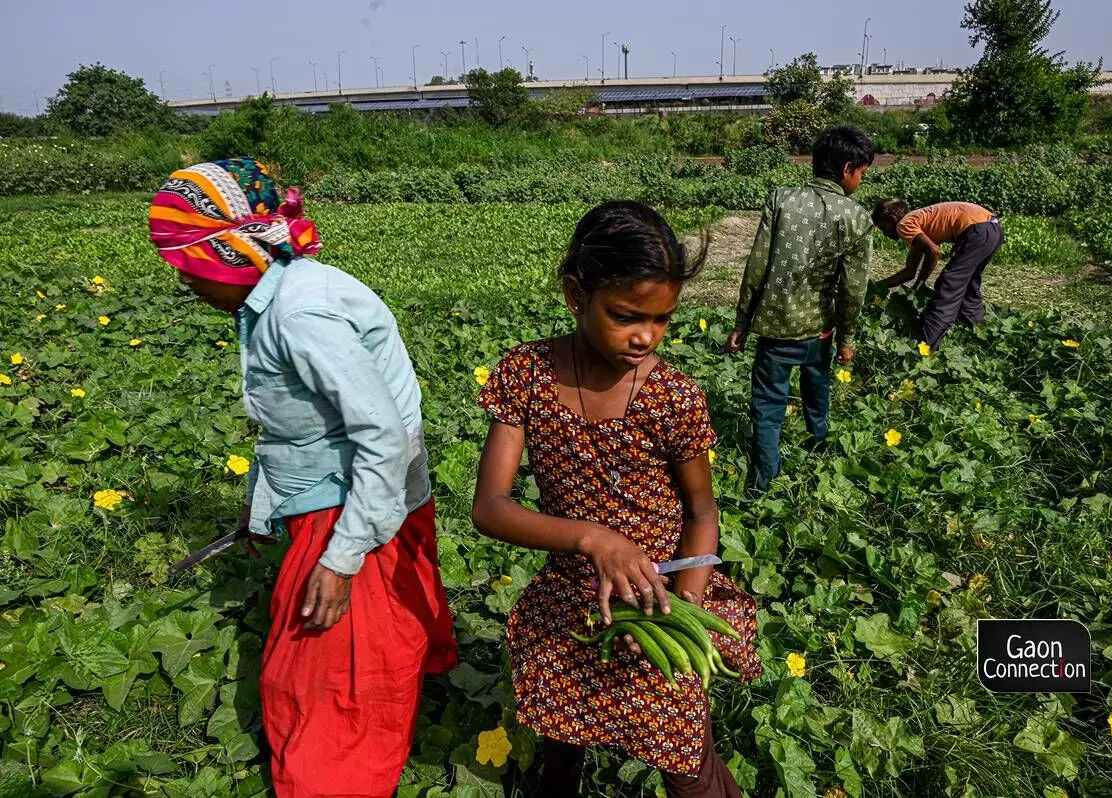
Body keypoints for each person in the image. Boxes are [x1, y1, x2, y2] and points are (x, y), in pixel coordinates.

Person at [148, 158, 457, 798]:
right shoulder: (282, 291)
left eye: (187, 268)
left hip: (351, 506)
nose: (185, 284)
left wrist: (342, 559)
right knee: (370, 646)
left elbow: (380, 435)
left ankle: (334, 782)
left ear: (228, 255)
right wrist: (264, 505)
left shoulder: (298, 314)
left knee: (327, 680)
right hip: (363, 493)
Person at [471, 201, 762, 797]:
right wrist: (594, 538)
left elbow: (703, 514)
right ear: (576, 295)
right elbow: (490, 506)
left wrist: (677, 611)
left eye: (662, 321)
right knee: (560, 734)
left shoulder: (672, 397)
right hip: (571, 597)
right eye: (627, 315)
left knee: (684, 757)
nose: (645, 337)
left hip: (662, 595)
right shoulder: (526, 374)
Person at [724, 124, 876, 492]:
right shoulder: (856, 217)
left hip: (776, 330)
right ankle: (818, 446)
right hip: (820, 331)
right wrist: (847, 337)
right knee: (817, 388)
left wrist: (742, 321)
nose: (860, 180)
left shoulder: (781, 200)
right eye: (862, 173)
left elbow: (757, 265)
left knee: (768, 405)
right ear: (847, 169)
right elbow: (853, 289)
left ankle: (763, 481)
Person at [872, 198, 1004, 350]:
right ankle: (979, 338)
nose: (884, 233)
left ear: (892, 219)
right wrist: (874, 287)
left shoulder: (904, 224)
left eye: (883, 227)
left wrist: (921, 283)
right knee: (968, 288)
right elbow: (909, 272)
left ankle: (927, 347)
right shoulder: (918, 227)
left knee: (947, 285)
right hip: (992, 229)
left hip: (977, 230)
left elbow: (933, 251)